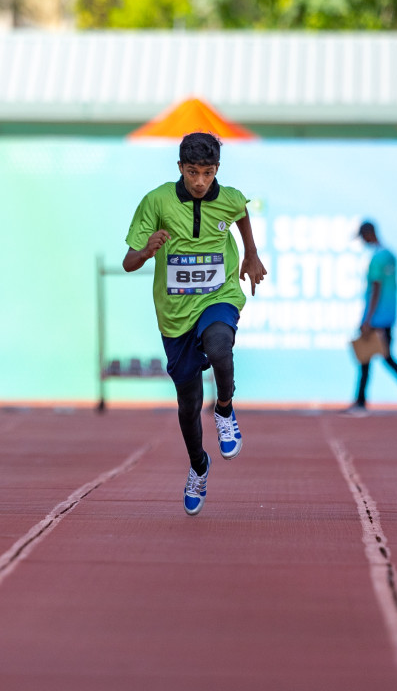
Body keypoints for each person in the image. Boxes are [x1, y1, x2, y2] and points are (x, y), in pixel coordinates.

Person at [123, 132, 267, 517]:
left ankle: (224, 409)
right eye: (192, 172)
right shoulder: (157, 201)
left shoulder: (231, 197)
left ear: (217, 169)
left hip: (218, 296)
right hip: (174, 316)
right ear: (180, 169)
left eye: (207, 172)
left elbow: (241, 214)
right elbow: (128, 262)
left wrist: (251, 255)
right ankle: (199, 466)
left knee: (221, 345)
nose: (200, 181)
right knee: (188, 405)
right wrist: (147, 249)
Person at [342, 221, 397, 417]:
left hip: (377, 318)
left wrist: (368, 320)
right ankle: (361, 401)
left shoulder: (377, 258)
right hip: (387, 316)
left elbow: (376, 290)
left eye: (363, 237)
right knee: (368, 358)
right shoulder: (390, 255)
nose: (363, 242)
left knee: (382, 357)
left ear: (369, 234)